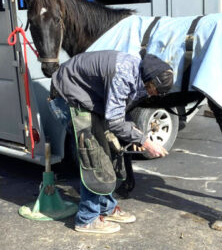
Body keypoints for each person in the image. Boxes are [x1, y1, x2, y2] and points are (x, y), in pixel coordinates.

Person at [49, 50, 174, 234]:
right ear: (151, 81)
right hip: (69, 96)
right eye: (156, 91)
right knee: (93, 156)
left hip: (89, 98)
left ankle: (106, 207)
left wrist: (134, 132)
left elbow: (122, 108)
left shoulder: (142, 73)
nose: (155, 95)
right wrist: (145, 142)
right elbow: (115, 121)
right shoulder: (123, 75)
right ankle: (87, 218)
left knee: (110, 152)